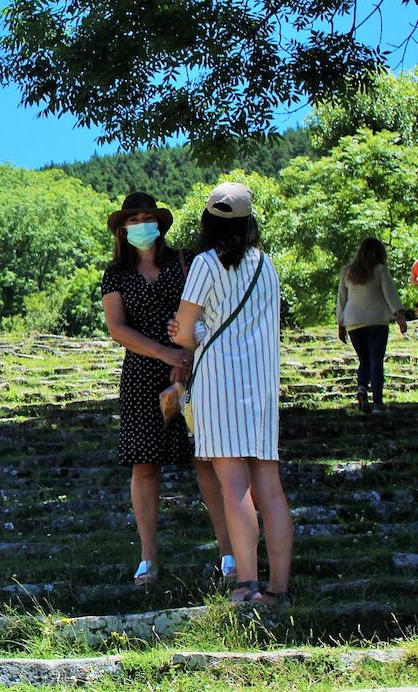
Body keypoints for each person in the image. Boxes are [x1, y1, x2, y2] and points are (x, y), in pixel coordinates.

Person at [101, 192, 235, 586]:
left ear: (158, 222)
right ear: (123, 229)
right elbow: (117, 328)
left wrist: (185, 354)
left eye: (147, 217)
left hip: (194, 369)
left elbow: (209, 309)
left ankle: (228, 551)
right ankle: (148, 557)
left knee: (206, 461)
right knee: (145, 465)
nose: (141, 225)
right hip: (143, 376)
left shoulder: (186, 261)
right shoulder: (115, 274)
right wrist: (164, 353)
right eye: (133, 219)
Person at [171, 182, 292, 606]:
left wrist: (195, 330)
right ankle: (278, 588)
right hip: (260, 385)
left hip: (220, 383)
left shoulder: (205, 264)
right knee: (270, 488)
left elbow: (184, 331)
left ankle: (245, 582)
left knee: (233, 485)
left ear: (208, 220)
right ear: (249, 221)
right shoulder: (267, 266)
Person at [337, 237, 409, 413]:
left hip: (353, 322)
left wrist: (340, 324)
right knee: (376, 360)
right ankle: (378, 403)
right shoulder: (379, 270)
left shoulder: (348, 271)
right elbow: (390, 293)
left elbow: (341, 299)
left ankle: (362, 389)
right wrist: (399, 315)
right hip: (376, 321)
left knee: (364, 359)